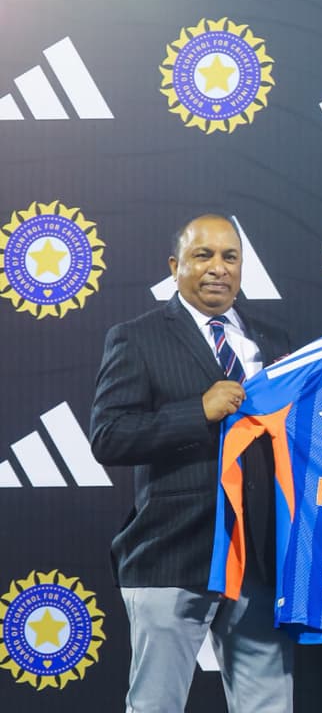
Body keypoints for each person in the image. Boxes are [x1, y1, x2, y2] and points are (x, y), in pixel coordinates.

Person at [90, 214, 294, 712]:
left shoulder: (275, 344)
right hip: (171, 554)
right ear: (175, 266)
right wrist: (197, 412)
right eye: (203, 255)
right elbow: (109, 436)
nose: (218, 268)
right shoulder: (137, 337)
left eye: (230, 257)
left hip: (259, 563)